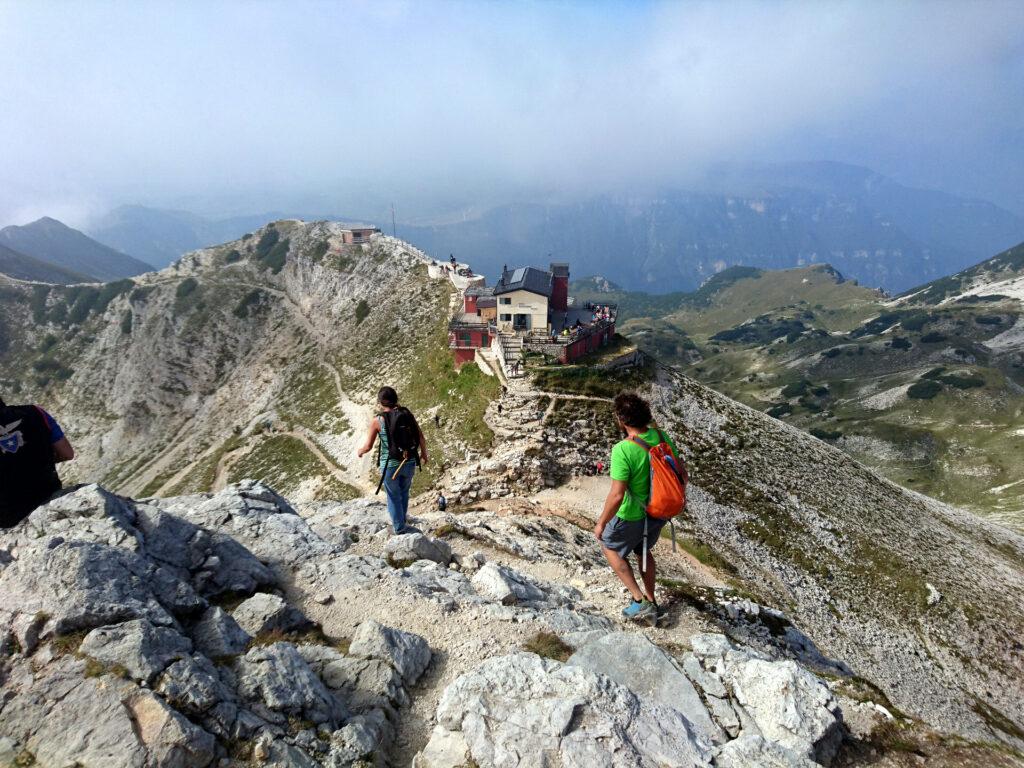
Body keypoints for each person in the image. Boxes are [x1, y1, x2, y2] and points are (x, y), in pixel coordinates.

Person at [593, 392, 680, 624]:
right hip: (658, 511)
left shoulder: (623, 449)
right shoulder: (662, 437)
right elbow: (682, 473)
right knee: (643, 550)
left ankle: (640, 600)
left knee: (609, 545)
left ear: (622, 420)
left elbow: (617, 494)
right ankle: (652, 599)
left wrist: (601, 522)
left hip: (631, 513)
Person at [357, 387, 428, 534]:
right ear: (396, 399)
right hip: (408, 461)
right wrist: (424, 454)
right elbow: (420, 436)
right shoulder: (407, 414)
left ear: (381, 403)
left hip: (390, 466)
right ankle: (402, 520)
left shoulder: (378, 420)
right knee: (404, 492)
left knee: (393, 495)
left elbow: (368, 447)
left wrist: (360, 451)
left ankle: (400, 528)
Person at [0, 395, 75, 528]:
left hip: (8, 517)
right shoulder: (35, 412)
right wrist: (35, 459)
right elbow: (67, 454)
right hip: (49, 497)